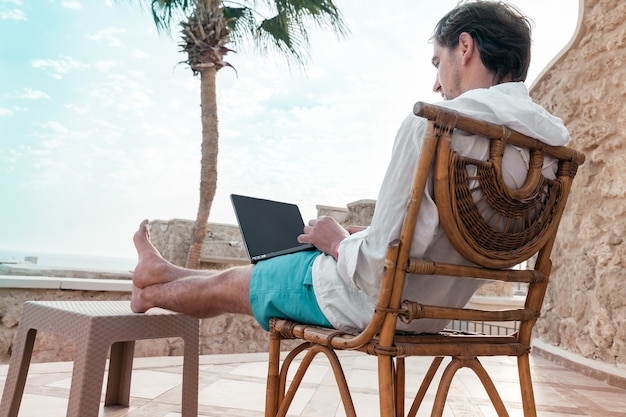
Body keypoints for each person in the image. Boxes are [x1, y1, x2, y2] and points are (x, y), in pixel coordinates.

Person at [131, 1, 569, 333]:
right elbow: (473, 238)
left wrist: (339, 242)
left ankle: (152, 291)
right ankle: (160, 275)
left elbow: (377, 269)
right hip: (440, 311)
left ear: (466, 48)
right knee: (256, 271)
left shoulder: (438, 125)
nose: (436, 82)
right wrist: (372, 234)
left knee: (238, 283)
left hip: (380, 305)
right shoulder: (551, 149)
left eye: (439, 62)